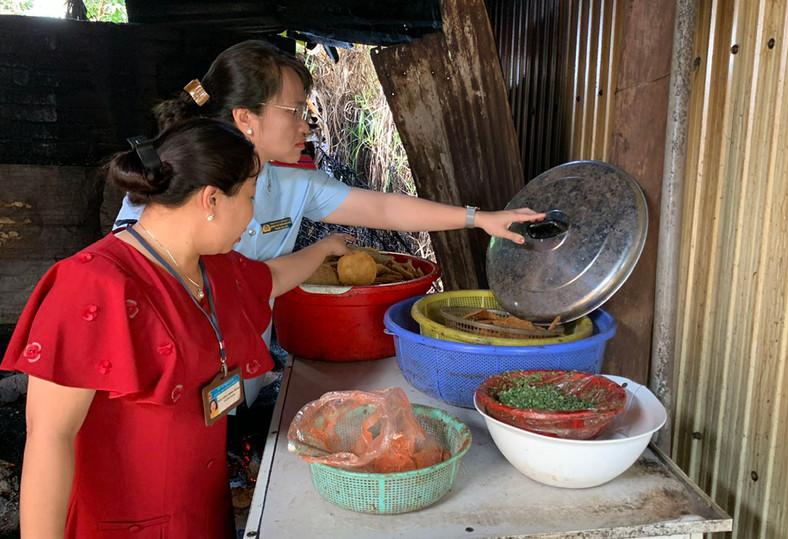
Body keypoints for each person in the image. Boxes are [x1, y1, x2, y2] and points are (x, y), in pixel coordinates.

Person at [115, 39, 545, 403]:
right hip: (171, 383)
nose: (307, 123)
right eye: (294, 109)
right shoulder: (169, 189)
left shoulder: (288, 183)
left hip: (241, 373)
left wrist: (479, 218)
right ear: (246, 118)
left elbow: (383, 209)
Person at [2, 118, 354, 538]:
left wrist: (325, 249)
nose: (253, 211)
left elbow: (272, 278)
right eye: (249, 195)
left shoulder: (214, 266)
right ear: (211, 200)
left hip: (203, 514)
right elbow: (49, 438)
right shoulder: (93, 286)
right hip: (125, 526)